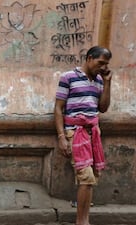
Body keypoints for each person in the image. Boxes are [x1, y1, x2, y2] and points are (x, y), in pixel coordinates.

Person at [54, 46, 112, 225]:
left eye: (106, 64)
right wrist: (62, 137)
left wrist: (108, 83)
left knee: (91, 178)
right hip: (75, 132)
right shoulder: (69, 77)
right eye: (100, 62)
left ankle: (84, 219)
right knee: (85, 177)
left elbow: (102, 108)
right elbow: (58, 108)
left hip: (93, 133)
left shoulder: (100, 81)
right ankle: (81, 222)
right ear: (89, 58)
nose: (103, 67)